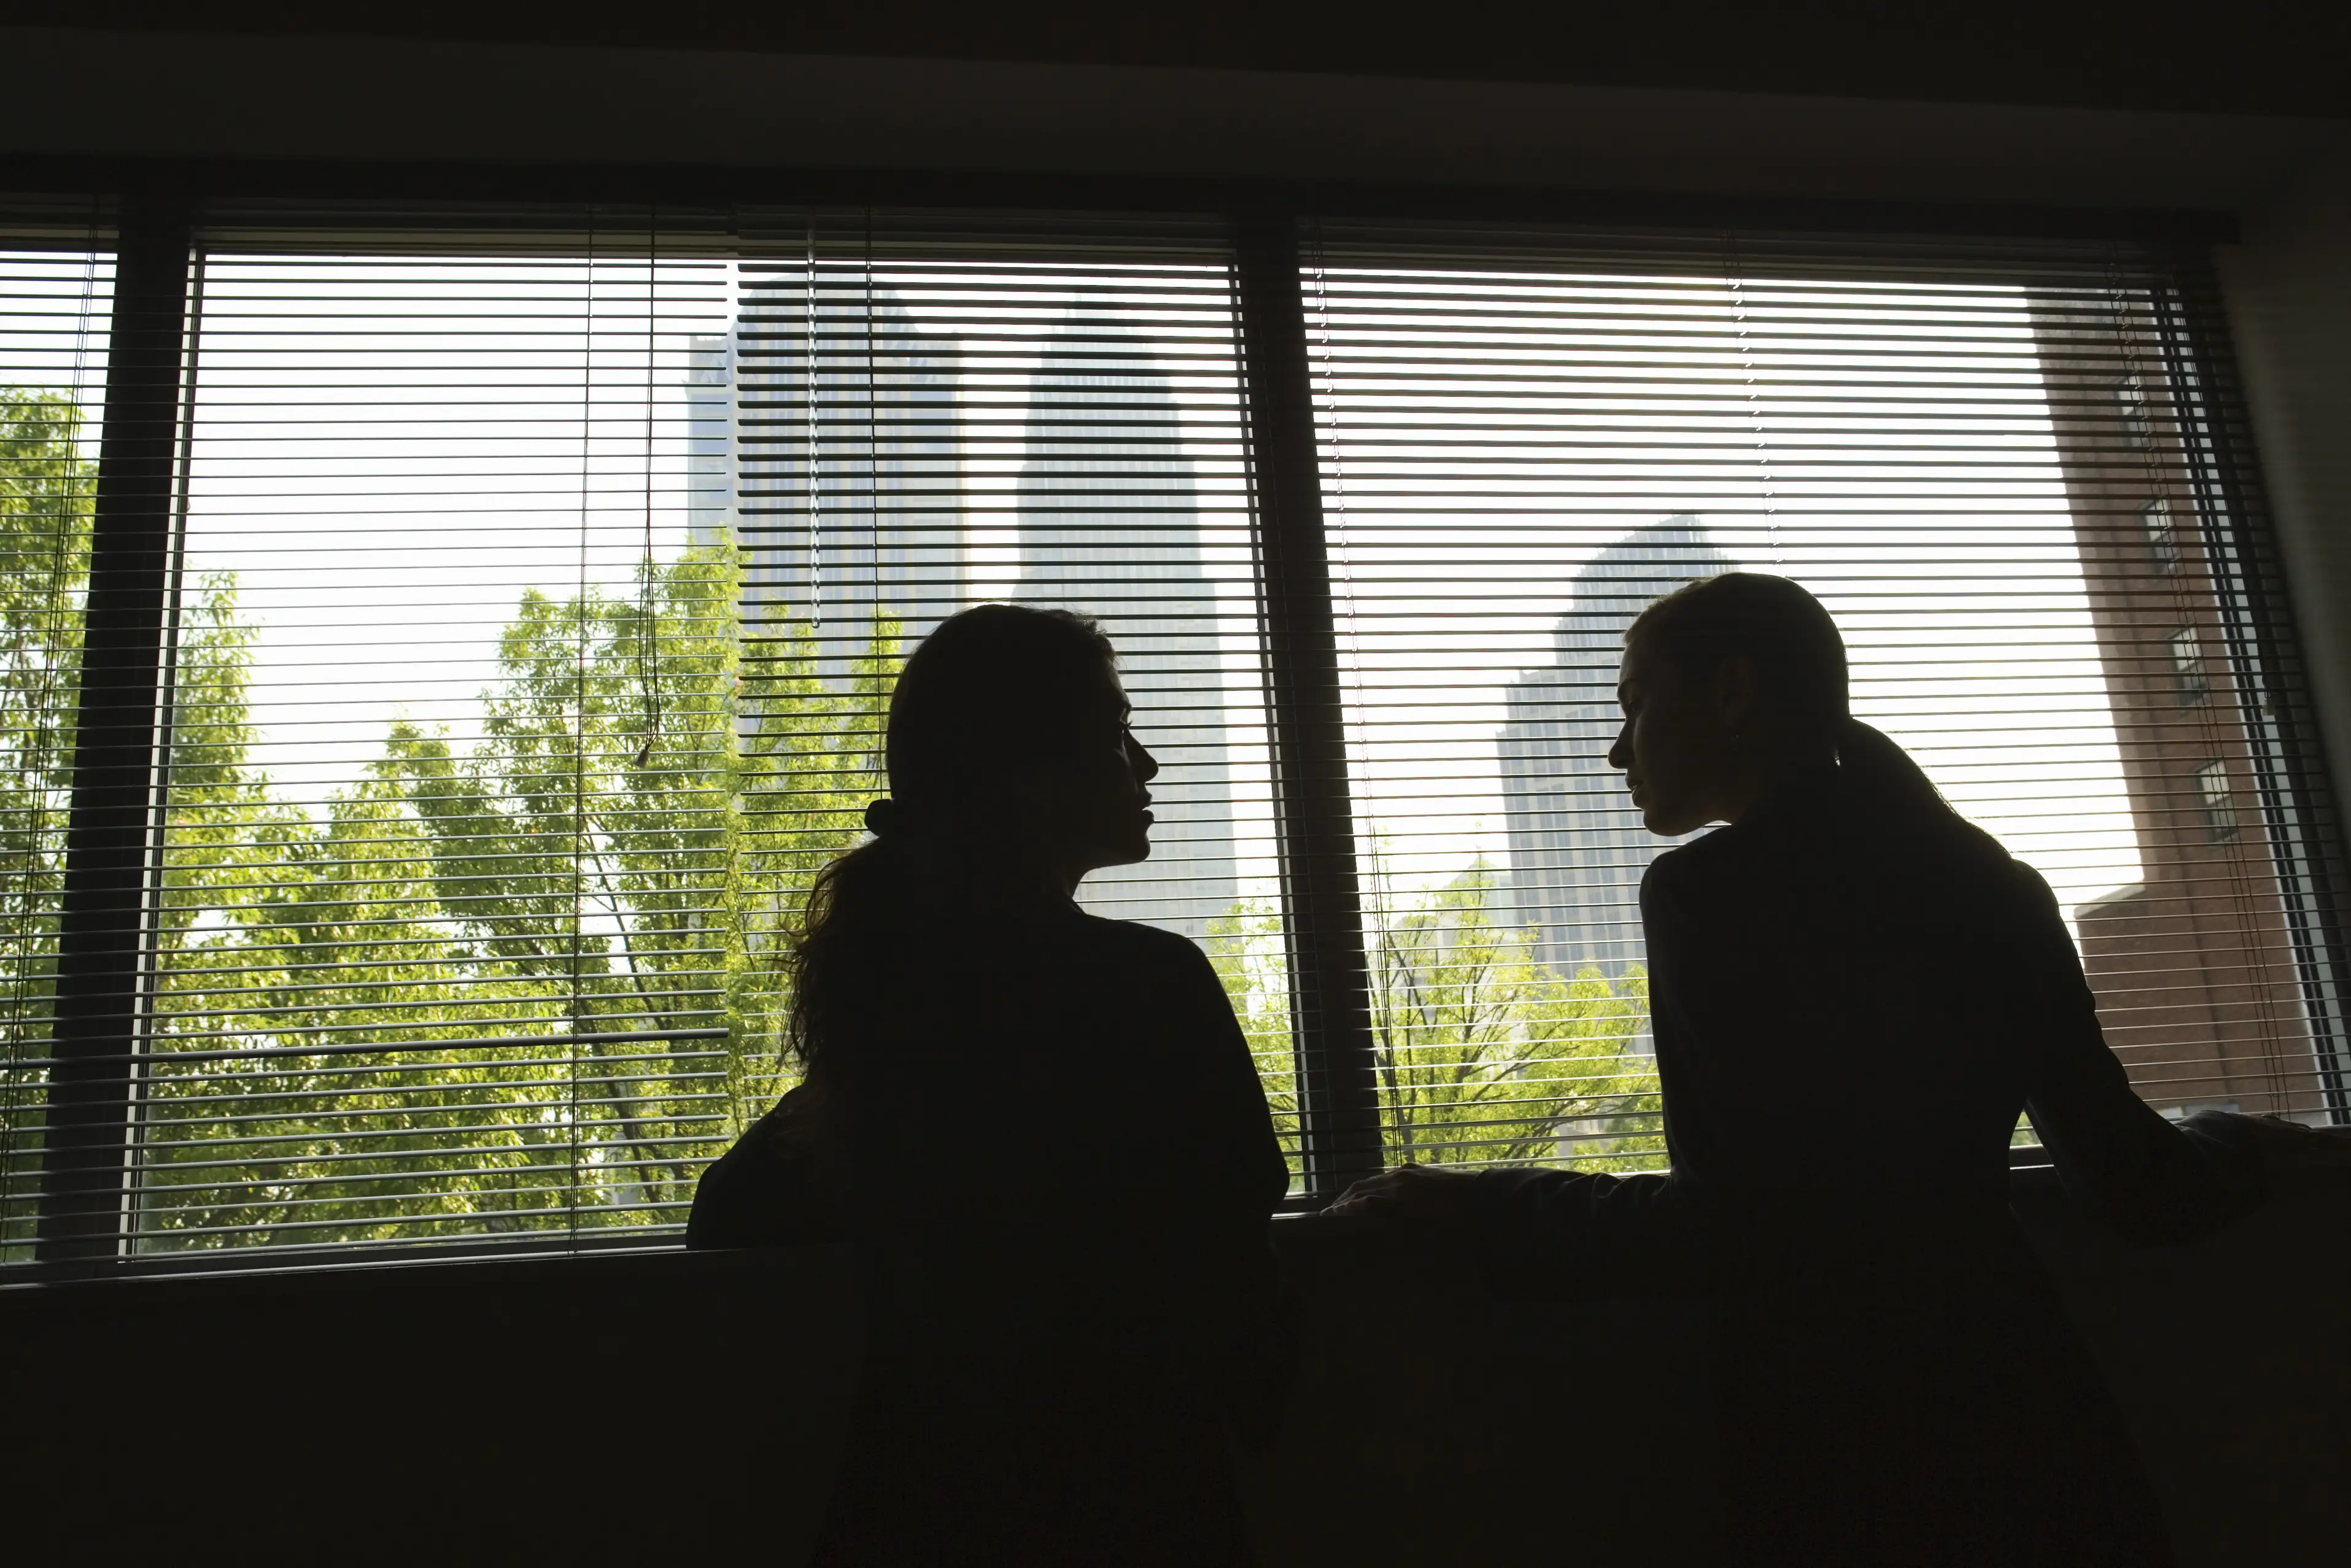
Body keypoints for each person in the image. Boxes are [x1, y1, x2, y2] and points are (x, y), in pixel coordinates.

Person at [1326, 571, 2271, 1567]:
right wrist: (2236, 1136)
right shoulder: (1990, 881)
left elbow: (1726, 1225)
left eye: (1635, 703)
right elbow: (2133, 1180)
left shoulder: (1709, 892)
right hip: (2022, 1399)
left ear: (1733, 690)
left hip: (1842, 1430)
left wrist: (1469, 1205)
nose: (1616, 749)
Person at [691, 604, 1290, 1566]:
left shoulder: (900, 1017)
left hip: (917, 1509)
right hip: (1135, 1508)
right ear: (1032, 777)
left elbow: (726, 1209)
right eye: (1115, 735)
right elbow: (1234, 1256)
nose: (1147, 765)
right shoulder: (1151, 985)